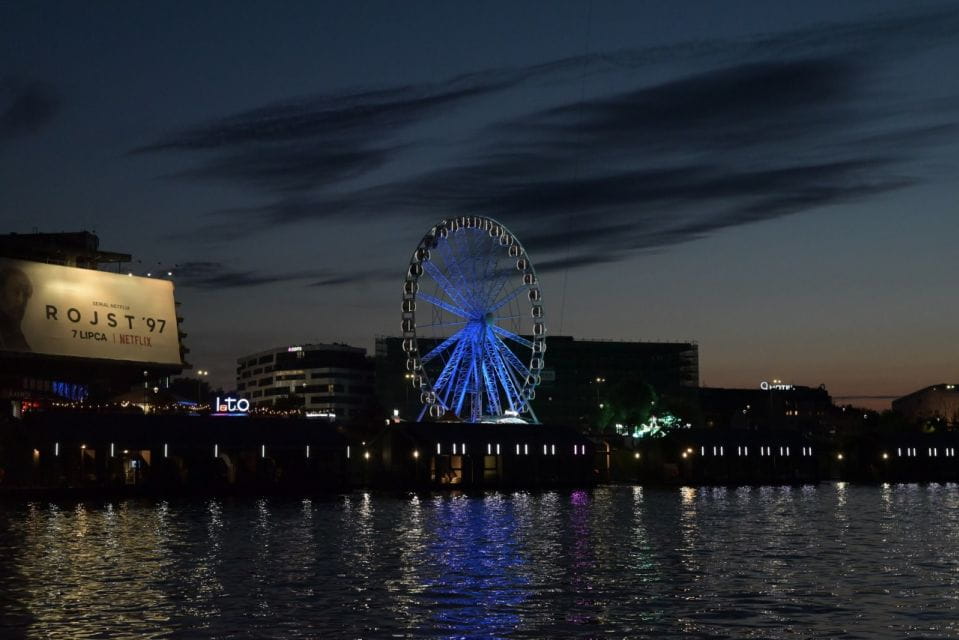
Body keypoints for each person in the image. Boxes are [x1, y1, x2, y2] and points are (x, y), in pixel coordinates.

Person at [0, 265, 33, 352]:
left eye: (25, 295)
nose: (21, 300)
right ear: (2, 293)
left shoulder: (16, 336)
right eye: (16, 292)